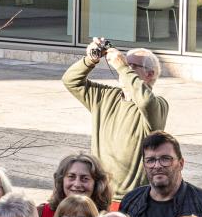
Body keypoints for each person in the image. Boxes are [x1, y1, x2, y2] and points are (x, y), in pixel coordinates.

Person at [62, 40, 168, 197]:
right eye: (125, 63)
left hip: (132, 198)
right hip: (99, 194)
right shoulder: (105, 96)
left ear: (149, 74)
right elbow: (70, 81)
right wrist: (91, 59)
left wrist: (123, 67)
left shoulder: (158, 105)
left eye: (132, 66)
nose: (122, 68)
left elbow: (146, 101)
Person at [37, 152, 113, 217]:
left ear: (97, 184)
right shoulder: (39, 215)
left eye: (85, 178)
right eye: (71, 177)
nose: (77, 184)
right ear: (61, 181)